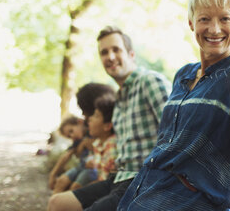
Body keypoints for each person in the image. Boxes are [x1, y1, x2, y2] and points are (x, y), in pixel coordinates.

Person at [118, 0, 230, 211]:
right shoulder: (183, 75)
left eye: (225, 18)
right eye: (205, 18)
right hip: (142, 194)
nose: (214, 29)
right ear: (191, 22)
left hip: (193, 202)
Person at [47, 26, 171, 211]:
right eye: (104, 53)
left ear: (131, 54)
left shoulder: (149, 82)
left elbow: (178, 134)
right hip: (117, 178)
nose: (110, 57)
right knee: (57, 203)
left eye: (116, 50)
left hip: (142, 181)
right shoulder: (118, 98)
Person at [48, 83, 115, 192]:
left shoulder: (107, 135)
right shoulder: (87, 131)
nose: (83, 114)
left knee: (74, 189)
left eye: (84, 110)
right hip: (86, 167)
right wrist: (53, 174)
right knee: (62, 183)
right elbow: (67, 155)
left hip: (95, 171)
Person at [51, 115, 97, 194]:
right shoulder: (77, 141)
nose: (72, 136)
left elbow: (95, 146)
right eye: (69, 136)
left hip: (92, 168)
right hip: (81, 166)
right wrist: (53, 174)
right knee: (61, 181)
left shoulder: (92, 132)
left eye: (71, 131)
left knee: (75, 187)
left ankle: (66, 204)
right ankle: (53, 204)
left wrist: (84, 144)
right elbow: (65, 156)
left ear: (80, 122)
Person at [86, 93, 117, 183]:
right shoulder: (99, 142)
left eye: (96, 115)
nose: (90, 119)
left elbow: (107, 180)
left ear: (107, 126)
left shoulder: (111, 145)